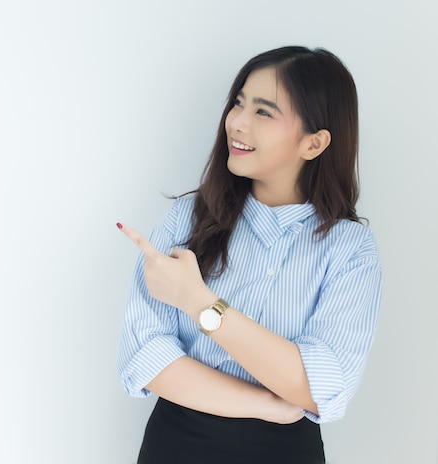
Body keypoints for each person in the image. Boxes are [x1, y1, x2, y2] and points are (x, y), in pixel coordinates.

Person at [116, 46, 382, 464]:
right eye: (238, 103)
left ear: (314, 143)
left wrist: (198, 300)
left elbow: (322, 386)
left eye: (263, 111)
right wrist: (267, 404)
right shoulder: (188, 218)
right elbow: (145, 358)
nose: (236, 122)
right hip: (177, 446)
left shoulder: (349, 249)